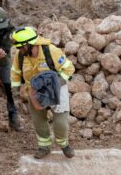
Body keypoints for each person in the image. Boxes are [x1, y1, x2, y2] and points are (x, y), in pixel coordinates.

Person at [10, 26, 75, 159]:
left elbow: (69, 69)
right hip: (34, 92)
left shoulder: (51, 51)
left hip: (56, 89)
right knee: (38, 121)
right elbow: (16, 72)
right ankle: (44, 146)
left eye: (21, 47)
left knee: (60, 122)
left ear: (29, 44)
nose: (19, 50)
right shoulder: (21, 55)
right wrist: (18, 89)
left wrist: (56, 85)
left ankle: (64, 144)